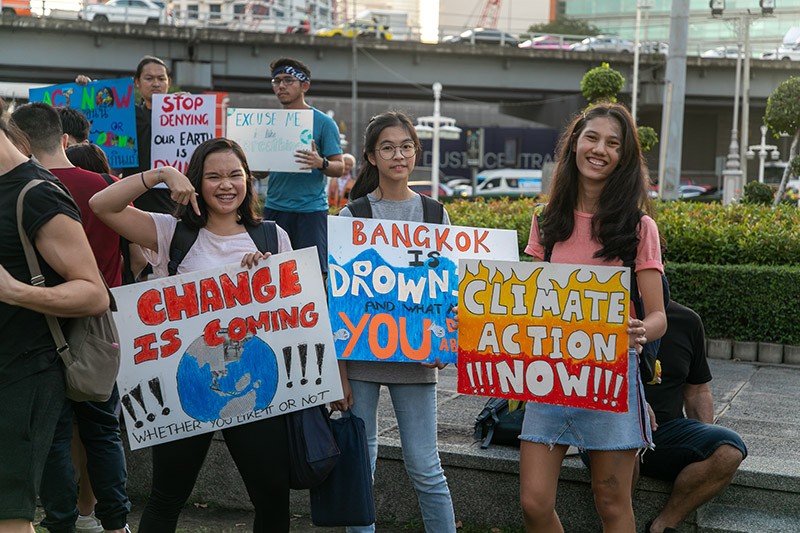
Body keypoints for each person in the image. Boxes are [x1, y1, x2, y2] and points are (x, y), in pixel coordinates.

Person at [89, 137, 294, 532]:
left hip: (253, 381)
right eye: (213, 176)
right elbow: (102, 205)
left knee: (272, 494)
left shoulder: (273, 237)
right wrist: (161, 175)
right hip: (189, 384)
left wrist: (266, 272)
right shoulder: (170, 232)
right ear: (195, 182)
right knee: (167, 496)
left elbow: (288, 315)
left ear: (248, 181)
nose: (226, 185)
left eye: (235, 175)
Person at [520, 102, 667, 533]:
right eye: (592, 138)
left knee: (611, 501)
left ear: (624, 157)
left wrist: (642, 330)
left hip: (610, 377)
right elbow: (527, 302)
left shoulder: (639, 228)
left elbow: (658, 316)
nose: (599, 149)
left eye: (613, 143)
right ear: (575, 145)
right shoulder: (546, 220)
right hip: (549, 374)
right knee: (533, 502)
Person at [332, 111, 457, 533]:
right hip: (361, 359)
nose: (398, 155)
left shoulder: (436, 214)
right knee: (359, 467)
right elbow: (340, 300)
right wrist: (340, 374)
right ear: (371, 156)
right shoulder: (352, 216)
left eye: (405, 146)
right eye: (387, 147)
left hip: (418, 359)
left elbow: (447, 289)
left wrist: (446, 343)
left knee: (425, 466)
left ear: (416, 152)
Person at [11, 102, 131, 533]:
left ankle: (61, 523)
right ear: (64, 139)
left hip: (42, 333)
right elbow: (138, 254)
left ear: (16, 140)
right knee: (103, 433)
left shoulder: (23, 190)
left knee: (56, 440)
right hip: (98, 334)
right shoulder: (102, 185)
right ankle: (114, 524)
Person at [640, 300, 747, 533]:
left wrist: (704, 442)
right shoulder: (605, 313)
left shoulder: (687, 321)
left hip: (664, 433)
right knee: (623, 445)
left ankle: (664, 525)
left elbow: (697, 390)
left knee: (727, 449)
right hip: (608, 430)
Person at [264, 57, 344, 273]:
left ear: (304, 86)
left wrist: (320, 162)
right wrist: (257, 165)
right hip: (275, 208)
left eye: (288, 80)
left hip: (311, 211)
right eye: (276, 80)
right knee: (271, 272)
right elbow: (259, 172)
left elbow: (340, 167)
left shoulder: (324, 123)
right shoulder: (269, 122)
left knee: (313, 274)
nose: (281, 86)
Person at [78, 55, 176, 214]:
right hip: (134, 201)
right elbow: (95, 118)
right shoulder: (125, 115)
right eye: (149, 78)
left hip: (172, 202)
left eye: (161, 78)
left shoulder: (183, 116)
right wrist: (87, 90)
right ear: (137, 82)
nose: (156, 83)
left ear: (169, 82)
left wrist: (186, 106)